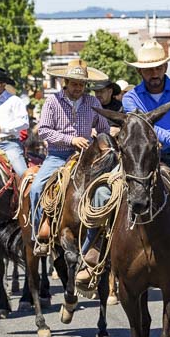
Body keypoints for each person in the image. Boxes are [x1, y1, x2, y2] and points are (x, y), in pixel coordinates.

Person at [76, 40, 170, 293]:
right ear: (139, 72)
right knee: (102, 193)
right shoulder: (132, 97)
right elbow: (143, 126)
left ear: (166, 66)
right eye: (148, 69)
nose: (154, 73)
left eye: (158, 68)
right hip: (139, 161)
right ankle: (91, 256)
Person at [30, 59, 110, 256]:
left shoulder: (93, 102)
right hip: (57, 156)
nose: (78, 87)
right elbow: (44, 131)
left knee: (112, 184)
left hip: (87, 156)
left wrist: (103, 143)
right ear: (65, 82)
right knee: (37, 187)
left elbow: (103, 129)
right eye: (74, 83)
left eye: (81, 84)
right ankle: (40, 235)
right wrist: (71, 140)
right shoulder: (52, 101)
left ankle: (108, 229)